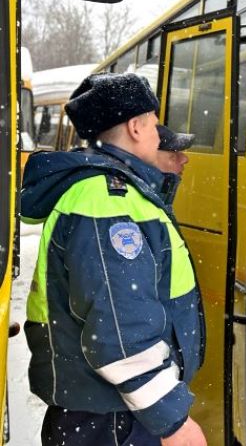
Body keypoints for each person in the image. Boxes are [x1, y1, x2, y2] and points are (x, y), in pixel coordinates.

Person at [20, 73, 207, 446]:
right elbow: (120, 333)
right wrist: (173, 421)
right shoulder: (108, 200)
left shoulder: (105, 191)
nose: (158, 132)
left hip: (104, 411)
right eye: (153, 122)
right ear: (136, 126)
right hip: (113, 419)